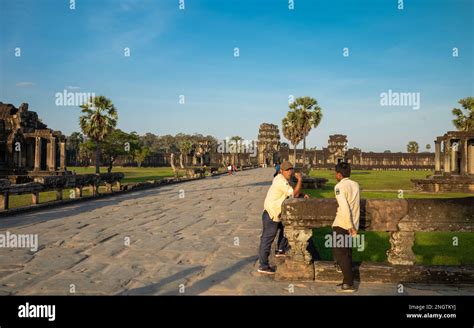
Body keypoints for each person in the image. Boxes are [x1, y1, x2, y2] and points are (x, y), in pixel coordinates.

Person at [257, 161, 310, 274]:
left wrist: (301, 194)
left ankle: (280, 249)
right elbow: (293, 194)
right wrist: (300, 180)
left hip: (278, 212)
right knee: (267, 239)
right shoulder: (280, 180)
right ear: (281, 171)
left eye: (291, 169)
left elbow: (291, 192)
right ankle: (263, 265)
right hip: (272, 213)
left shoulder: (284, 180)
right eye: (287, 170)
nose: (290, 172)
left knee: (287, 227)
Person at [332, 162, 360, 292]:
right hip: (353, 222)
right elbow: (356, 206)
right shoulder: (355, 185)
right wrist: (354, 225)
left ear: (339, 174)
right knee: (346, 252)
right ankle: (346, 280)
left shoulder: (339, 187)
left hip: (343, 223)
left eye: (335, 173)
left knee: (340, 253)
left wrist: (349, 226)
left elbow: (344, 206)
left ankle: (348, 283)